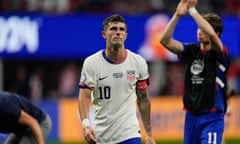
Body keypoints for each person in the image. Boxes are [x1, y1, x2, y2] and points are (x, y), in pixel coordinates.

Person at [159, 0, 231, 144]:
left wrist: (192, 10)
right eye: (198, 28)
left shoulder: (220, 54)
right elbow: (164, 41)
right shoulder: (191, 51)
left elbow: (212, 36)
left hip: (212, 116)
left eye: (203, 28)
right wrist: (177, 15)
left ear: (216, 33)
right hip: (191, 116)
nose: (199, 31)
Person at [78, 14, 155, 144]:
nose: (118, 33)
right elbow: (84, 96)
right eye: (113, 29)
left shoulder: (138, 62)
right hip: (101, 135)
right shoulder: (92, 63)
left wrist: (148, 134)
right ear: (104, 34)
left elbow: (143, 99)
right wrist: (86, 125)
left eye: (121, 30)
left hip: (129, 134)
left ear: (126, 35)